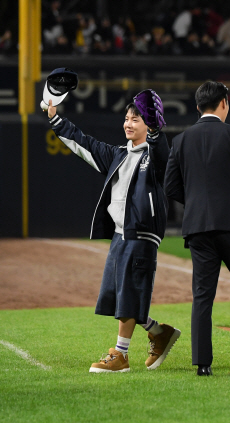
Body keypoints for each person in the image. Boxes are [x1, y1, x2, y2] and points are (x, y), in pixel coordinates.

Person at [44, 90, 180, 373]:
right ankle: (157, 331)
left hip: (141, 234)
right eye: (127, 118)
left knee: (128, 294)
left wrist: (155, 132)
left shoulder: (156, 157)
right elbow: (85, 144)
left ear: (150, 124)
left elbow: (163, 157)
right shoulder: (118, 154)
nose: (128, 123)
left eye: (136, 119)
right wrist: (57, 120)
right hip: (120, 235)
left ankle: (120, 355)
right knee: (119, 294)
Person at [164, 81, 230, 376]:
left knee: (202, 295)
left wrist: (197, 202)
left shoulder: (180, 140)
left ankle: (203, 364)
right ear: (224, 103)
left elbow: (170, 186)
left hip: (198, 227)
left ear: (198, 107)